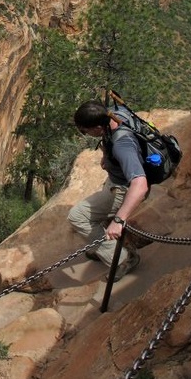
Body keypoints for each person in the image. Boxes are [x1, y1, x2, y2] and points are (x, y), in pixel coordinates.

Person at [66, 100, 148, 281]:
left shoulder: (122, 145)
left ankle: (123, 259)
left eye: (85, 131)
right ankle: (103, 246)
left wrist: (119, 220)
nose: (84, 134)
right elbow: (108, 138)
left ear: (97, 128)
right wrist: (107, 155)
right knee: (98, 211)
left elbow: (140, 184)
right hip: (116, 179)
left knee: (77, 216)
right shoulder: (110, 114)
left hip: (122, 189)